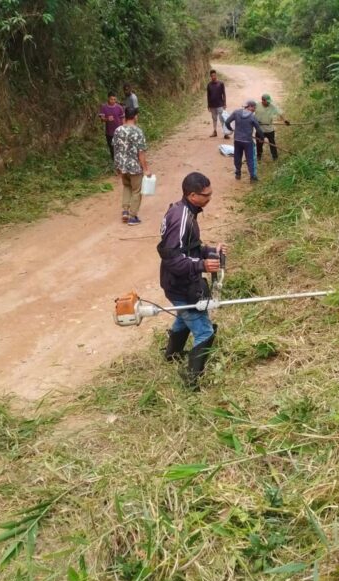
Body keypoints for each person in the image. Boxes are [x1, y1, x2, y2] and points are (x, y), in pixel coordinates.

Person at [157, 172, 227, 390]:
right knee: (205, 332)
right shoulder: (181, 219)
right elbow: (172, 260)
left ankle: (173, 355)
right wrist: (201, 265)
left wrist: (210, 251)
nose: (210, 198)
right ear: (192, 195)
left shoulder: (186, 211)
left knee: (183, 317)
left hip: (180, 283)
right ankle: (191, 382)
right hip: (180, 285)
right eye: (207, 195)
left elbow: (191, 248)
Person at [112, 107, 151, 225]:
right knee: (136, 190)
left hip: (122, 166)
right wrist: (146, 169)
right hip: (134, 167)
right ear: (135, 117)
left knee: (126, 186)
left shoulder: (118, 130)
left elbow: (115, 148)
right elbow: (141, 153)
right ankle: (133, 216)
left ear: (125, 116)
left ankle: (125, 211)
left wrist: (117, 165)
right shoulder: (138, 132)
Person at [224, 100, 264, 183]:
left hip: (237, 140)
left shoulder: (236, 112)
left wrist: (231, 129)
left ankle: (238, 173)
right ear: (250, 106)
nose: (254, 110)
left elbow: (227, 122)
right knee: (250, 159)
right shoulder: (252, 117)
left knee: (237, 157)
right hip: (248, 141)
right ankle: (253, 177)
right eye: (254, 108)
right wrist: (262, 138)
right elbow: (258, 129)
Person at [255, 93, 290, 162]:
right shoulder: (257, 105)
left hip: (269, 129)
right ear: (263, 100)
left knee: (272, 144)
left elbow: (280, 114)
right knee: (259, 144)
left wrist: (285, 121)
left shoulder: (272, 107)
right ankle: (259, 157)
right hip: (260, 130)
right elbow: (250, 113)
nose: (268, 103)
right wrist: (255, 121)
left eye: (269, 101)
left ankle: (275, 158)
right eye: (267, 101)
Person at [99, 91, 125, 159]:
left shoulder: (119, 107)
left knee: (120, 147)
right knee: (111, 147)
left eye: (114, 99)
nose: (113, 101)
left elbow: (123, 118)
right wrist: (107, 119)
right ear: (108, 98)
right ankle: (114, 161)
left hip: (119, 131)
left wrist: (124, 128)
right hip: (109, 132)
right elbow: (102, 119)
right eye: (111, 99)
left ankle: (121, 160)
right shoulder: (104, 107)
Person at [206, 69, 230, 138]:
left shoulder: (221, 83)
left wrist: (224, 103)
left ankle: (225, 133)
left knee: (222, 119)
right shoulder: (209, 85)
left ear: (216, 75)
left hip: (220, 104)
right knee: (214, 119)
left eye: (214, 75)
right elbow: (208, 96)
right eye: (212, 76)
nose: (213, 77)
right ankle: (215, 131)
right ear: (210, 76)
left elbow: (224, 94)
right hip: (212, 105)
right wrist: (208, 105)